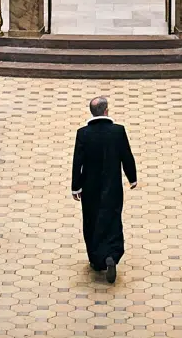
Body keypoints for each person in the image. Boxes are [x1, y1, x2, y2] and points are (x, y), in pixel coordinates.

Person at [71, 95, 137, 283]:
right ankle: (112, 254)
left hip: (90, 188)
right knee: (113, 218)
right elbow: (126, 155)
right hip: (113, 186)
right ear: (106, 110)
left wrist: (76, 186)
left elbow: (78, 162)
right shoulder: (118, 131)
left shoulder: (83, 134)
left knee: (92, 220)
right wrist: (132, 177)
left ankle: (96, 259)